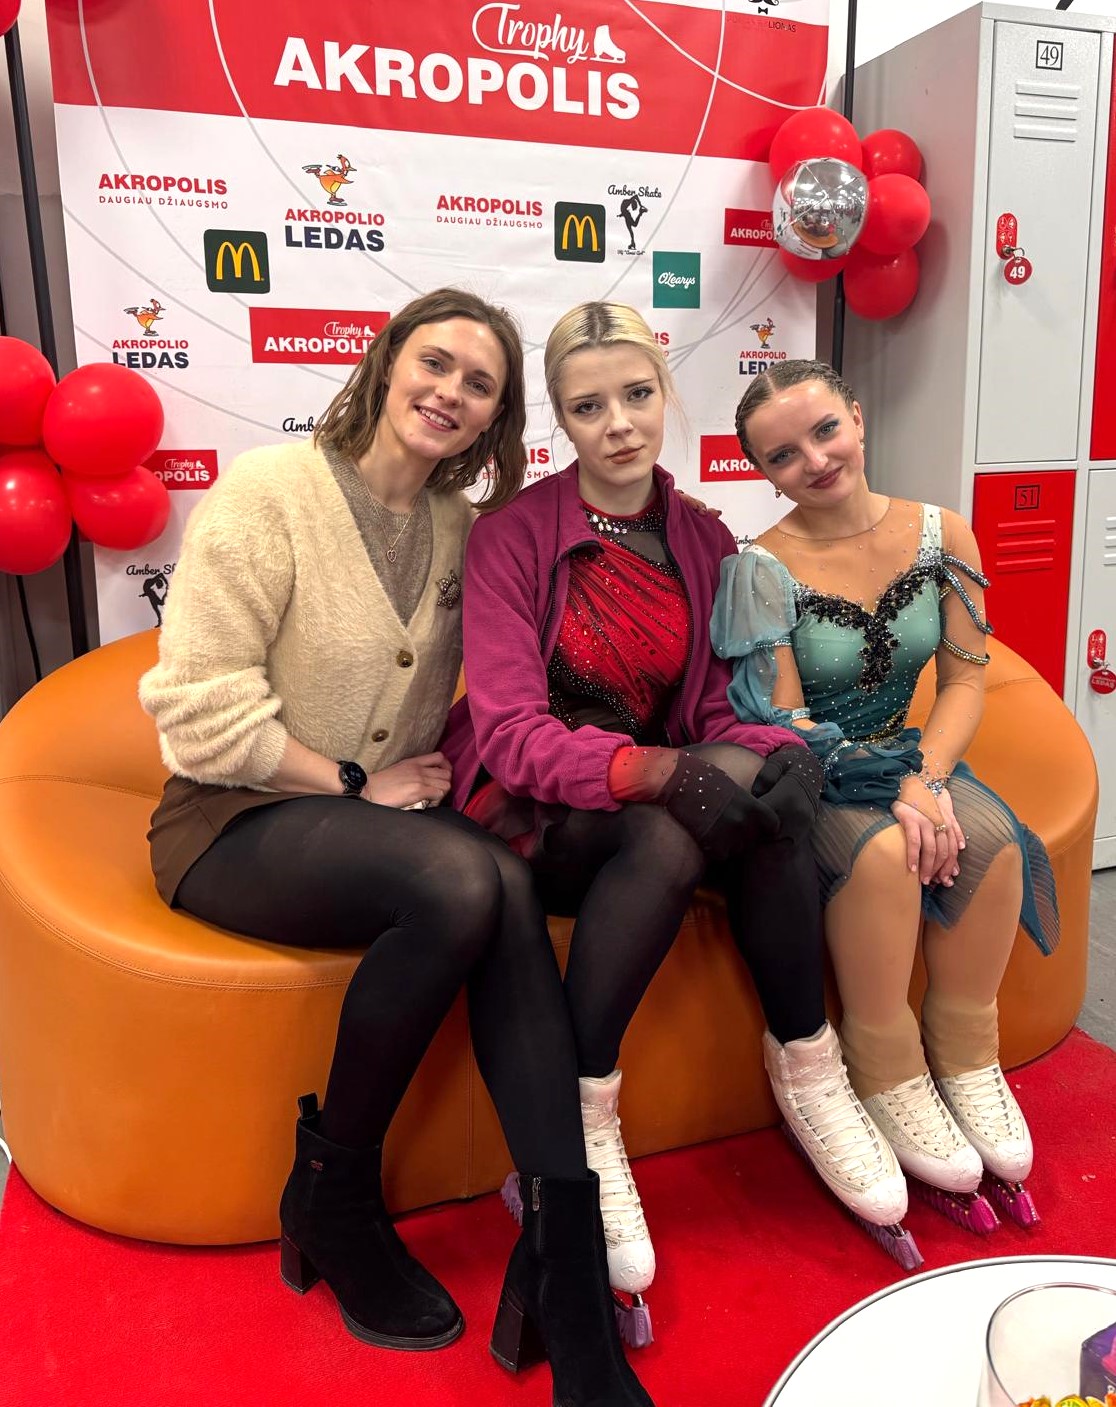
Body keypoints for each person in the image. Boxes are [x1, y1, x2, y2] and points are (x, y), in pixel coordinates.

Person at [138, 288, 656, 1407]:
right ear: (385, 363)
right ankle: (334, 1197)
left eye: (481, 384)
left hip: (384, 828)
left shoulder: (465, 529)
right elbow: (196, 715)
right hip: (229, 817)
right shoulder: (267, 492)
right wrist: (353, 781)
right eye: (435, 363)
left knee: (499, 880)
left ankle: (566, 1269)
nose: (450, 393)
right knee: (463, 878)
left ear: (496, 418)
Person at [440, 303, 908, 1335]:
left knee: (768, 797)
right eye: (588, 406)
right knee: (670, 823)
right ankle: (584, 1114)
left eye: (637, 395)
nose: (618, 424)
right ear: (559, 417)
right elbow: (511, 735)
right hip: (539, 806)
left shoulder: (700, 535)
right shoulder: (512, 535)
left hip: (661, 789)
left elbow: (707, 715)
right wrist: (659, 772)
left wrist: (782, 751)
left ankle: (810, 1066)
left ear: (665, 394)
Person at [713, 358, 1058, 1236]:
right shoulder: (760, 567)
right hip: (816, 772)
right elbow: (783, 721)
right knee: (883, 857)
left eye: (825, 430)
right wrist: (897, 791)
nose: (815, 460)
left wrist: (927, 778)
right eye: (783, 455)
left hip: (910, 757)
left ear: (858, 419)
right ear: (763, 472)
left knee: (995, 842)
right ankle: (884, 1062)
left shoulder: (944, 532)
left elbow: (967, 680)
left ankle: (965, 1051)